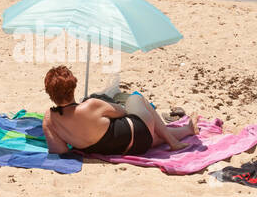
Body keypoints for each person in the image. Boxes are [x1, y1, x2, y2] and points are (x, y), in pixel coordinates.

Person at [40, 65, 198, 156]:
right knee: (135, 99)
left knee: (150, 135)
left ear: (49, 93)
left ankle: (188, 129)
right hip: (138, 134)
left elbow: (59, 151)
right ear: (73, 87)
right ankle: (173, 142)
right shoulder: (91, 105)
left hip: (123, 148)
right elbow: (122, 112)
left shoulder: (49, 119)